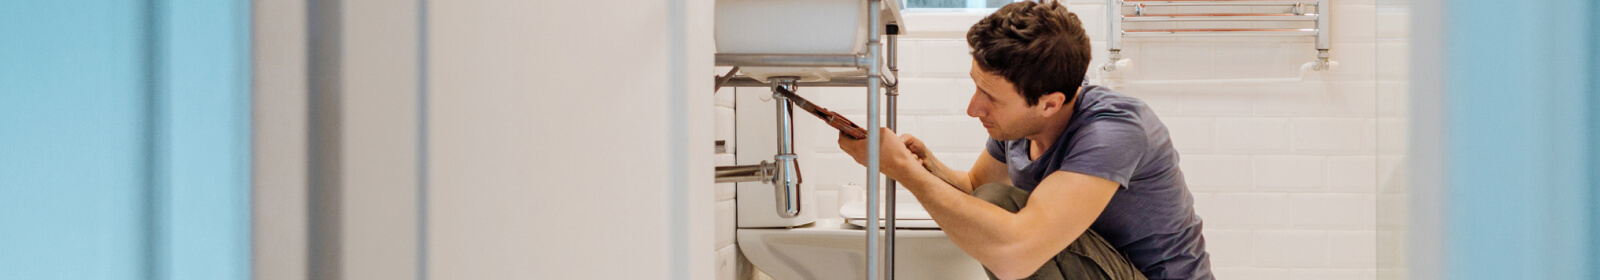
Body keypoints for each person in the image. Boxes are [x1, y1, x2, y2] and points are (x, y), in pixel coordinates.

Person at [836, 1, 1212, 279]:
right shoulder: (1018, 126)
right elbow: (973, 188)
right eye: (976, 87)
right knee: (993, 202)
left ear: (1050, 104)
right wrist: (926, 166)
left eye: (991, 98)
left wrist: (901, 170)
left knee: (1004, 211)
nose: (973, 108)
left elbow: (1016, 253)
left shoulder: (1114, 130)